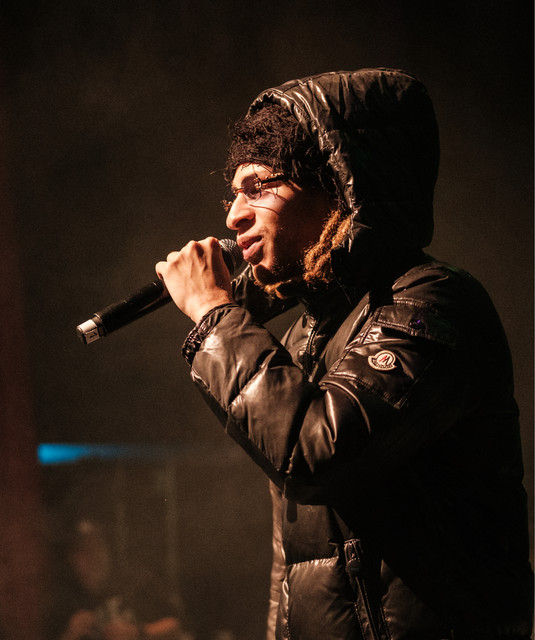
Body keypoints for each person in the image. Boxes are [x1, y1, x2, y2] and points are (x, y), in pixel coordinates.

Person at [156, 69, 533, 639]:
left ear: (337, 181)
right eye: (232, 195)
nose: (233, 216)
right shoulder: (306, 335)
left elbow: (316, 454)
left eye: (257, 187)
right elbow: (292, 568)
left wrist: (215, 314)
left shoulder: (431, 302)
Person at [45, 518, 188, 640]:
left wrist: (137, 632)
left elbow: (176, 626)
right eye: (85, 551)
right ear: (73, 559)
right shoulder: (63, 604)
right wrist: (70, 634)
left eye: (97, 547)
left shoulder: (136, 581)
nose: (94, 557)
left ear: (107, 550)